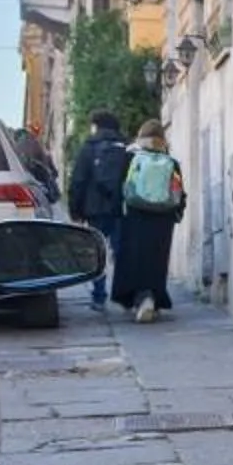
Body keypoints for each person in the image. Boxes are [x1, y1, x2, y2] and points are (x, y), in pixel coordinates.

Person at [111, 121, 186, 323]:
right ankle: (152, 296)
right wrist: (177, 214)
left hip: (134, 217)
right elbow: (179, 194)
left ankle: (140, 298)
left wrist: (116, 215)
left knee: (133, 259)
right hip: (163, 220)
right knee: (156, 261)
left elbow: (119, 189)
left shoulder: (129, 158)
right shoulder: (171, 162)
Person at [65, 112, 131, 314]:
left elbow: (78, 181)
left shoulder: (89, 148)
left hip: (94, 210)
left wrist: (75, 210)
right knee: (122, 253)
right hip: (121, 208)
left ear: (96, 126)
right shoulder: (126, 148)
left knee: (97, 253)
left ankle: (99, 297)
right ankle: (125, 295)